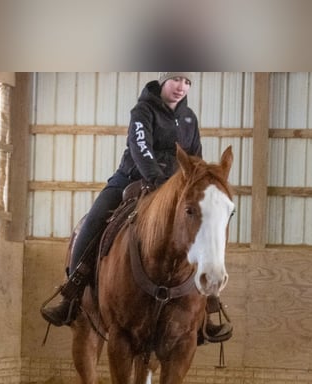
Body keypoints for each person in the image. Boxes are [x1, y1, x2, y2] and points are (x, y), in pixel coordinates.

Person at [40, 72, 232, 344]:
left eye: (187, 82)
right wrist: (157, 181)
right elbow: (140, 148)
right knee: (93, 222)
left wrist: (190, 184)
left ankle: (209, 307)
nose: (181, 87)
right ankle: (72, 292)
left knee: (201, 232)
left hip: (176, 190)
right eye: (176, 79)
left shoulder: (190, 118)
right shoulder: (143, 111)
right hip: (133, 179)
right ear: (164, 80)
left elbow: (195, 157)